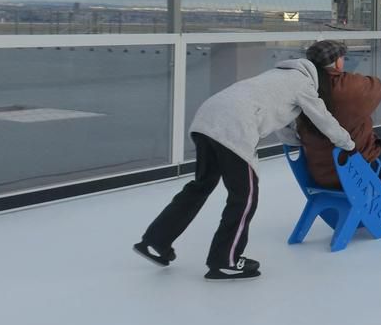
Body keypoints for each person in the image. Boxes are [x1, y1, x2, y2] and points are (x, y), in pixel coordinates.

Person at [134, 55, 355, 280]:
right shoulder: (304, 83)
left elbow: (280, 122)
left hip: (206, 119)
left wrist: (296, 142)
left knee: (200, 186)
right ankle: (225, 261)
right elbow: (323, 119)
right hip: (235, 125)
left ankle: (155, 241)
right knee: (245, 197)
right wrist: (348, 144)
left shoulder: (277, 76)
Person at [298, 40, 381, 224]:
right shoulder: (346, 87)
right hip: (347, 170)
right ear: (336, 62)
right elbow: (376, 87)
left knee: (372, 140)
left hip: (320, 171)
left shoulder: (304, 87)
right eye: (342, 57)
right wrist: (348, 76)